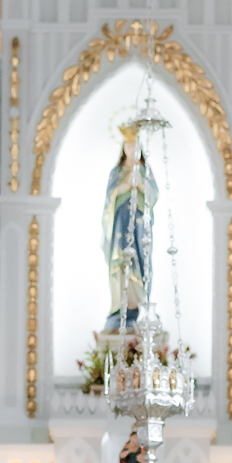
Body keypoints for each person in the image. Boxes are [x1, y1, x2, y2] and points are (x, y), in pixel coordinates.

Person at [102, 125, 156, 331]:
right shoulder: (117, 173)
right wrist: (124, 187)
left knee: (139, 263)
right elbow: (108, 200)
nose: (131, 151)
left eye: (135, 147)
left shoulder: (144, 172)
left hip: (139, 228)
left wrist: (141, 185)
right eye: (128, 146)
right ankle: (121, 307)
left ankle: (138, 306)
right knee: (120, 263)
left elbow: (154, 195)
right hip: (119, 228)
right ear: (123, 148)